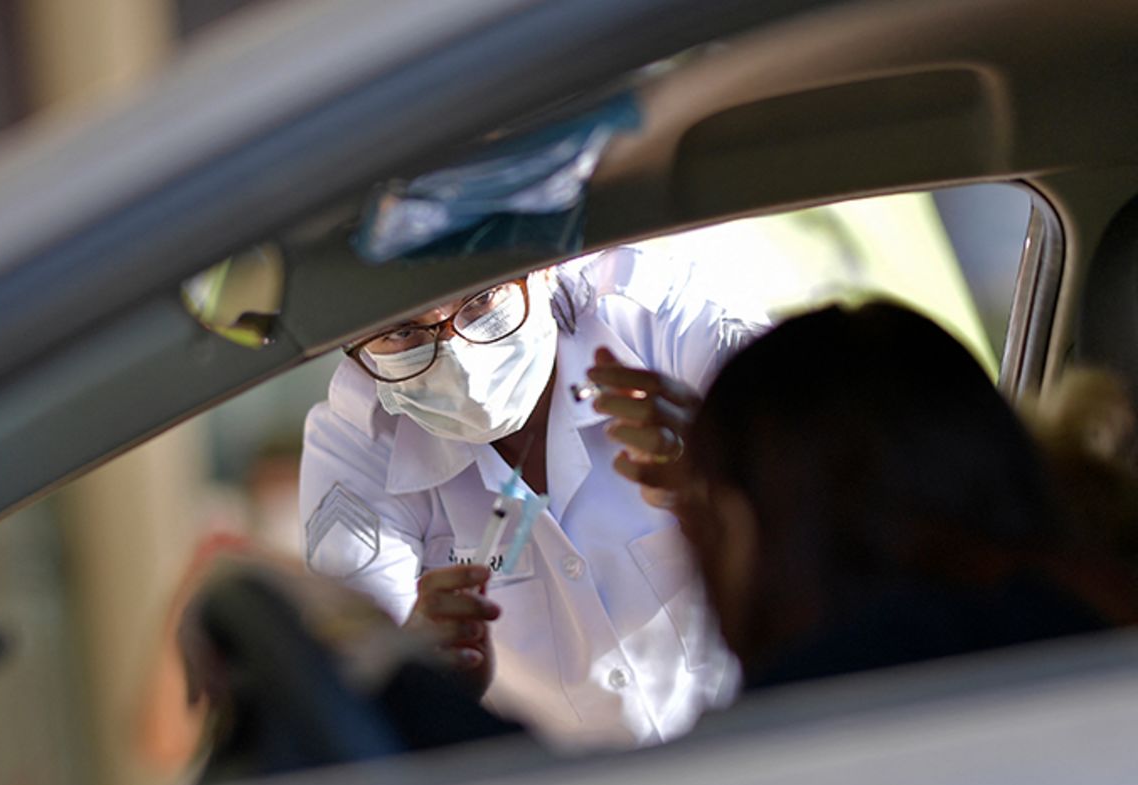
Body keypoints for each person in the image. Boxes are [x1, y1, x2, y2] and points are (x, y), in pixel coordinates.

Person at [299, 246, 759, 749]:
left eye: (483, 300)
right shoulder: (357, 440)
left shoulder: (657, 320)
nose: (461, 359)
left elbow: (826, 501)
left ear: (542, 267)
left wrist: (721, 472)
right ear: (356, 348)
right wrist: (424, 670)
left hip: (758, 742)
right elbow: (363, 684)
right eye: (402, 333)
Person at [668, 302, 1138, 689]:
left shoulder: (808, 713)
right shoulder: (1087, 621)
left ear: (750, 524)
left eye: (705, 521)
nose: (690, 549)